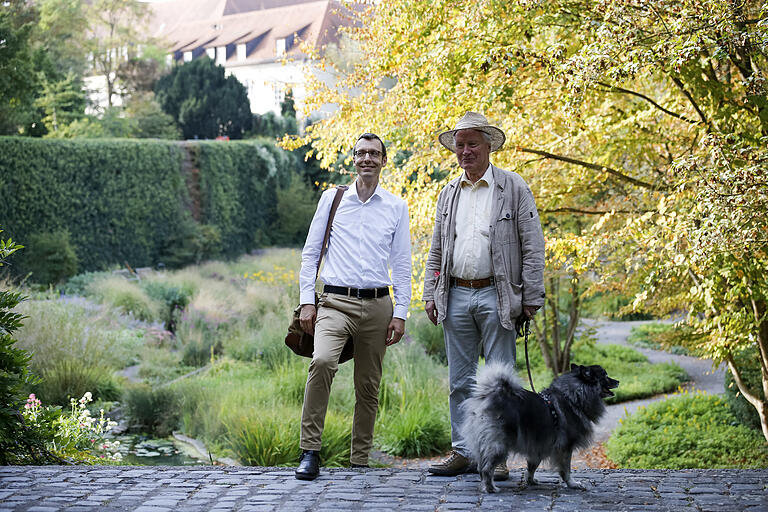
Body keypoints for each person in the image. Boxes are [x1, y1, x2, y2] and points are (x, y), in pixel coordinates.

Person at [423, 112, 545, 479]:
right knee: (459, 382)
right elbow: (436, 249)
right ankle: (463, 452)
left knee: (500, 382)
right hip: (456, 293)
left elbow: (533, 245)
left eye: (472, 143)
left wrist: (532, 294)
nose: (465, 151)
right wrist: (430, 292)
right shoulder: (448, 193)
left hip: (498, 293)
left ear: (489, 145)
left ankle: (498, 457)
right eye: (460, 145)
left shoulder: (513, 187)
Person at [295, 133, 412, 480]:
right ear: (353, 159)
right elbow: (311, 252)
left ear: (383, 161)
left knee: (369, 384)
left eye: (374, 154)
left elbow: (402, 264)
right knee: (323, 361)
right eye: (361, 153)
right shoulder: (332, 199)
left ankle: (359, 460)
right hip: (334, 302)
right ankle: (310, 451)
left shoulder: (396, 206)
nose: (367, 159)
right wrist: (306, 301)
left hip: (378, 306)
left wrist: (401, 312)